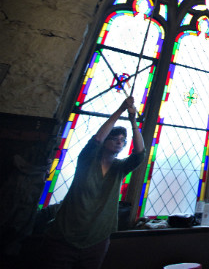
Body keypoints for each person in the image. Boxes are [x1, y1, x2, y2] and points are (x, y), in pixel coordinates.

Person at [42, 96, 145, 268]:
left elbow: (140, 154)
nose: (120, 142)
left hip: (97, 239)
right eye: (115, 138)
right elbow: (96, 139)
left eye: (123, 140)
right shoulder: (87, 160)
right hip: (66, 236)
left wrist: (134, 121)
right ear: (105, 142)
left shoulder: (119, 168)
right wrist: (120, 110)